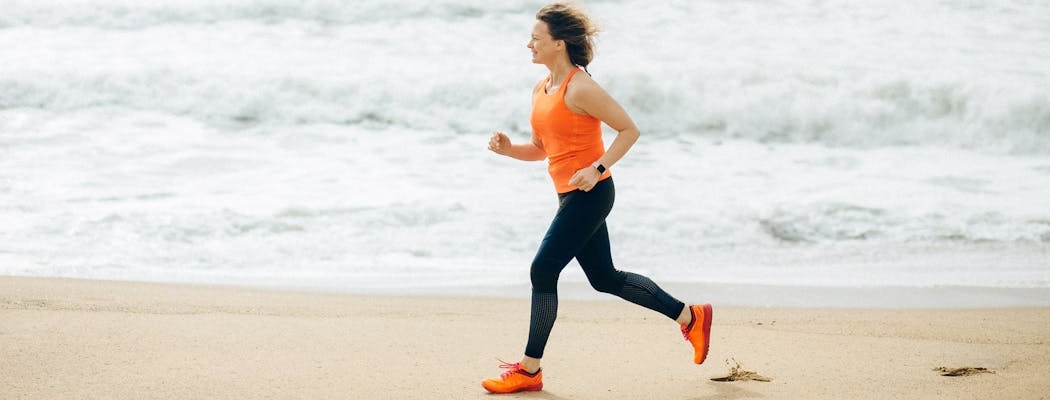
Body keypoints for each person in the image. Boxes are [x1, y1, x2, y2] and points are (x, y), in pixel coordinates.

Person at [481, 2, 713, 394]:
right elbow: (541, 148)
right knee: (605, 279)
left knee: (543, 269)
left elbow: (628, 130)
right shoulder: (542, 88)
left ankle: (529, 370)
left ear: (558, 43)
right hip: (568, 195)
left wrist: (598, 169)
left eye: (536, 39)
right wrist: (509, 150)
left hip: (591, 194)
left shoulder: (581, 86)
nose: (528, 45)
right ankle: (690, 317)